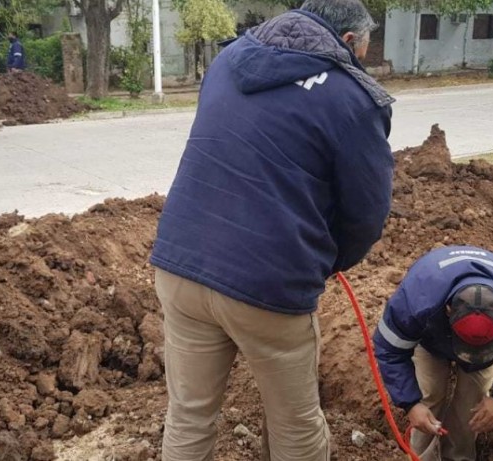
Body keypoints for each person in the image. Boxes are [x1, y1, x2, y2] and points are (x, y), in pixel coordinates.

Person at [150, 0, 395, 459]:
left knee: (188, 415)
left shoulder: (226, 62)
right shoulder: (352, 99)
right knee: (296, 423)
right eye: (360, 51)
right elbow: (367, 214)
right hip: (268, 284)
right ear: (347, 42)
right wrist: (326, 260)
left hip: (180, 264)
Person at [373, 246, 493, 461]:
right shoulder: (416, 301)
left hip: (489, 350)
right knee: (429, 395)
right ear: (448, 310)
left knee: (472, 405)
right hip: (431, 339)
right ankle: (419, 457)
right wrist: (410, 404)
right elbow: (389, 350)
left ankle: (459, 457)